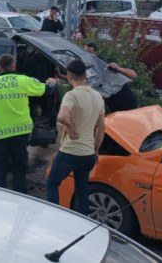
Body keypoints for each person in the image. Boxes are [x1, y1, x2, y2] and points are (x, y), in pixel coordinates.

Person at [0, 54, 57, 194]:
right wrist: (52, 82)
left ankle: (0, 195)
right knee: (19, 165)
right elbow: (47, 90)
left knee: (0, 167)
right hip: (20, 133)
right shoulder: (23, 81)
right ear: (14, 66)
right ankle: (19, 194)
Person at [46, 59, 106, 215]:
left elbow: (62, 117)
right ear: (85, 75)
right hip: (87, 155)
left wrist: (70, 127)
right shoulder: (98, 97)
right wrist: (96, 150)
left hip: (70, 153)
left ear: (69, 76)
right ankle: (83, 222)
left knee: (52, 182)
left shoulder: (71, 96)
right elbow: (101, 128)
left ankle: (54, 217)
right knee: (81, 190)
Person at [84, 41, 139, 112]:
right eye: (85, 52)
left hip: (130, 105)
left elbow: (134, 75)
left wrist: (119, 68)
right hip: (114, 110)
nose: (87, 54)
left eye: (90, 52)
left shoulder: (106, 65)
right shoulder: (87, 70)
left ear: (95, 53)